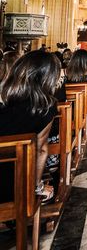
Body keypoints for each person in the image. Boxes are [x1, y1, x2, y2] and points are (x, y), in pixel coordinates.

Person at [0, 51, 60, 203]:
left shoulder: (5, 97)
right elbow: (41, 150)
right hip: (15, 187)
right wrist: (36, 187)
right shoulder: (46, 108)